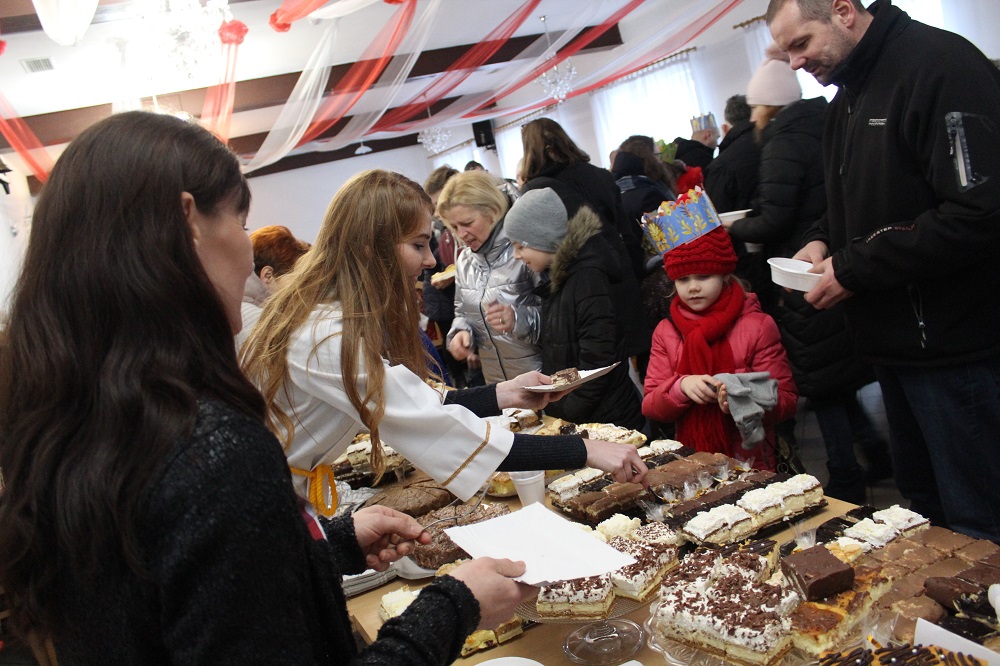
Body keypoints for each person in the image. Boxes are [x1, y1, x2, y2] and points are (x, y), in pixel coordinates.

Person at [0, 111, 530, 664]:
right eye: (241, 221)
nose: (248, 251)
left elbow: (195, 602)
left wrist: (327, 545)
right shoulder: (211, 451)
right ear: (189, 223)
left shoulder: (89, 420)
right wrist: (455, 605)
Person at [240, 169, 647, 517]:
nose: (432, 260)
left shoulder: (329, 316)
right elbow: (433, 424)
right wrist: (583, 450)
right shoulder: (325, 334)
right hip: (274, 504)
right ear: (370, 248)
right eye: (418, 245)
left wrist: (504, 393)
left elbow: (418, 401)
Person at [768, 0, 1000, 541]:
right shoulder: (849, 95)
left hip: (957, 350)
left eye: (801, 43)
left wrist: (852, 267)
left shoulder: (939, 65)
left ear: (843, 11)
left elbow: (978, 211)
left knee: (979, 523)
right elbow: (856, 203)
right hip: (895, 350)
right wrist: (821, 240)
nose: (796, 63)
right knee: (927, 517)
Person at [723, 43, 891, 501]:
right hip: (834, 255)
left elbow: (775, 218)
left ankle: (845, 475)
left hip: (801, 268)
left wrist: (734, 226)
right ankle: (877, 455)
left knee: (822, 381)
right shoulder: (826, 120)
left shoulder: (782, 140)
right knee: (840, 375)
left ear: (765, 106)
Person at [642, 227, 798, 469]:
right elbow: (651, 405)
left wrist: (743, 402)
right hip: (694, 464)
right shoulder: (666, 331)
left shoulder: (757, 326)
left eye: (703, 276)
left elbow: (786, 401)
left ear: (724, 275)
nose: (692, 287)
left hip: (751, 462)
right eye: (683, 279)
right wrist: (680, 387)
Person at [506, 186, 645, 430]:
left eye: (520, 246)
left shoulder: (587, 280)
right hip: (582, 413)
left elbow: (598, 360)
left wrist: (569, 411)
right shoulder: (559, 278)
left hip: (604, 420)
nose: (516, 255)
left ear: (543, 239)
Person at [520, 117, 651, 364]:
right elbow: (626, 230)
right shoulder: (600, 174)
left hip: (580, 282)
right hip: (619, 269)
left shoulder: (535, 191)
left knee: (597, 361)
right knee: (632, 359)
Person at [438, 171, 542, 384]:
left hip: (541, 377)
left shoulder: (525, 251)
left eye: (467, 223)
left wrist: (518, 320)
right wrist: (462, 332)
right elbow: (462, 312)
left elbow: (560, 319)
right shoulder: (465, 260)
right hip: (497, 384)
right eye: (454, 227)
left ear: (493, 211)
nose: (461, 234)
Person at [422, 166, 466, 385]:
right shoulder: (438, 229)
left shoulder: (447, 228)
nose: (438, 212)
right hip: (443, 299)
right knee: (454, 353)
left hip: (452, 298)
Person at [236, 224, 310, 348]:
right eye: (296, 280)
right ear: (268, 276)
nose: (299, 290)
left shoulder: (231, 305)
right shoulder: (259, 324)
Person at [704, 94, 761, 214]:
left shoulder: (722, 165)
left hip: (741, 224)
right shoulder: (776, 142)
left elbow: (715, 214)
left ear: (725, 128)